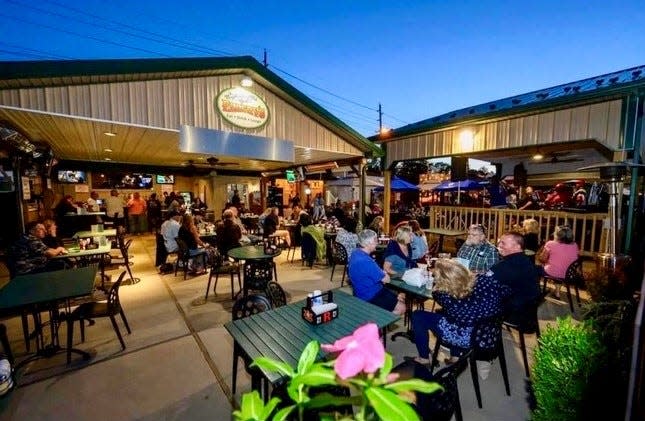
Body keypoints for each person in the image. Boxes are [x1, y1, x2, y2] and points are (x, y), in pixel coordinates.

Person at [408, 259, 509, 365]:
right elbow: (506, 293)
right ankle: (455, 357)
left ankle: (424, 358)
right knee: (454, 317)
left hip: (466, 338)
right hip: (488, 332)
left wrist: (436, 285)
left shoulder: (442, 296)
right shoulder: (485, 280)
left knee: (418, 316)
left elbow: (436, 292)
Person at [347, 229, 405, 315]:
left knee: (399, 296)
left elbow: (379, 274)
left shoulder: (356, 252)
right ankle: (379, 321)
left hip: (362, 291)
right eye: (375, 240)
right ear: (368, 243)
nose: (377, 243)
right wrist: (383, 273)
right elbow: (387, 280)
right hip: (369, 295)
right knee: (402, 307)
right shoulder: (365, 261)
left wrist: (381, 273)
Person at [490, 232, 541, 327]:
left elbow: (487, 283)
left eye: (503, 243)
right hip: (527, 308)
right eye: (499, 242)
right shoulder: (525, 260)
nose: (499, 245)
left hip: (514, 312)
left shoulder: (507, 266)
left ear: (517, 247)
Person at [536, 225, 579, 299]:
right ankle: (557, 292)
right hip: (569, 274)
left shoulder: (550, 244)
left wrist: (540, 256)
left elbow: (542, 259)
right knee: (558, 266)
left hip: (554, 272)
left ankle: (536, 291)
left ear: (557, 235)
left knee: (535, 269)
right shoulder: (575, 245)